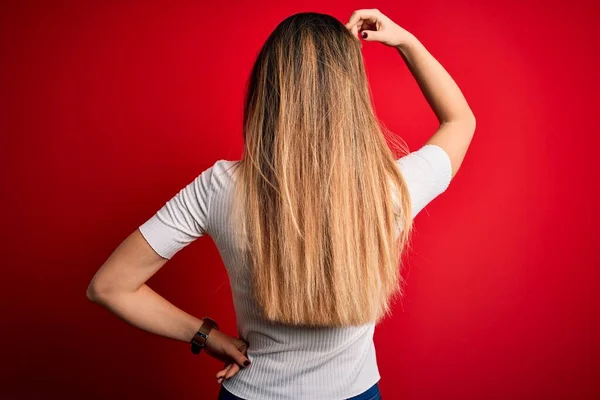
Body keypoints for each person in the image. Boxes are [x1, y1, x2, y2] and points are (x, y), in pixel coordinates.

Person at [86, 8, 475, 400]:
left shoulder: (219, 187)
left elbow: (109, 286)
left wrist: (205, 335)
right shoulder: (391, 188)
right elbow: (460, 120)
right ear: (352, 93)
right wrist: (404, 40)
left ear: (267, 89)